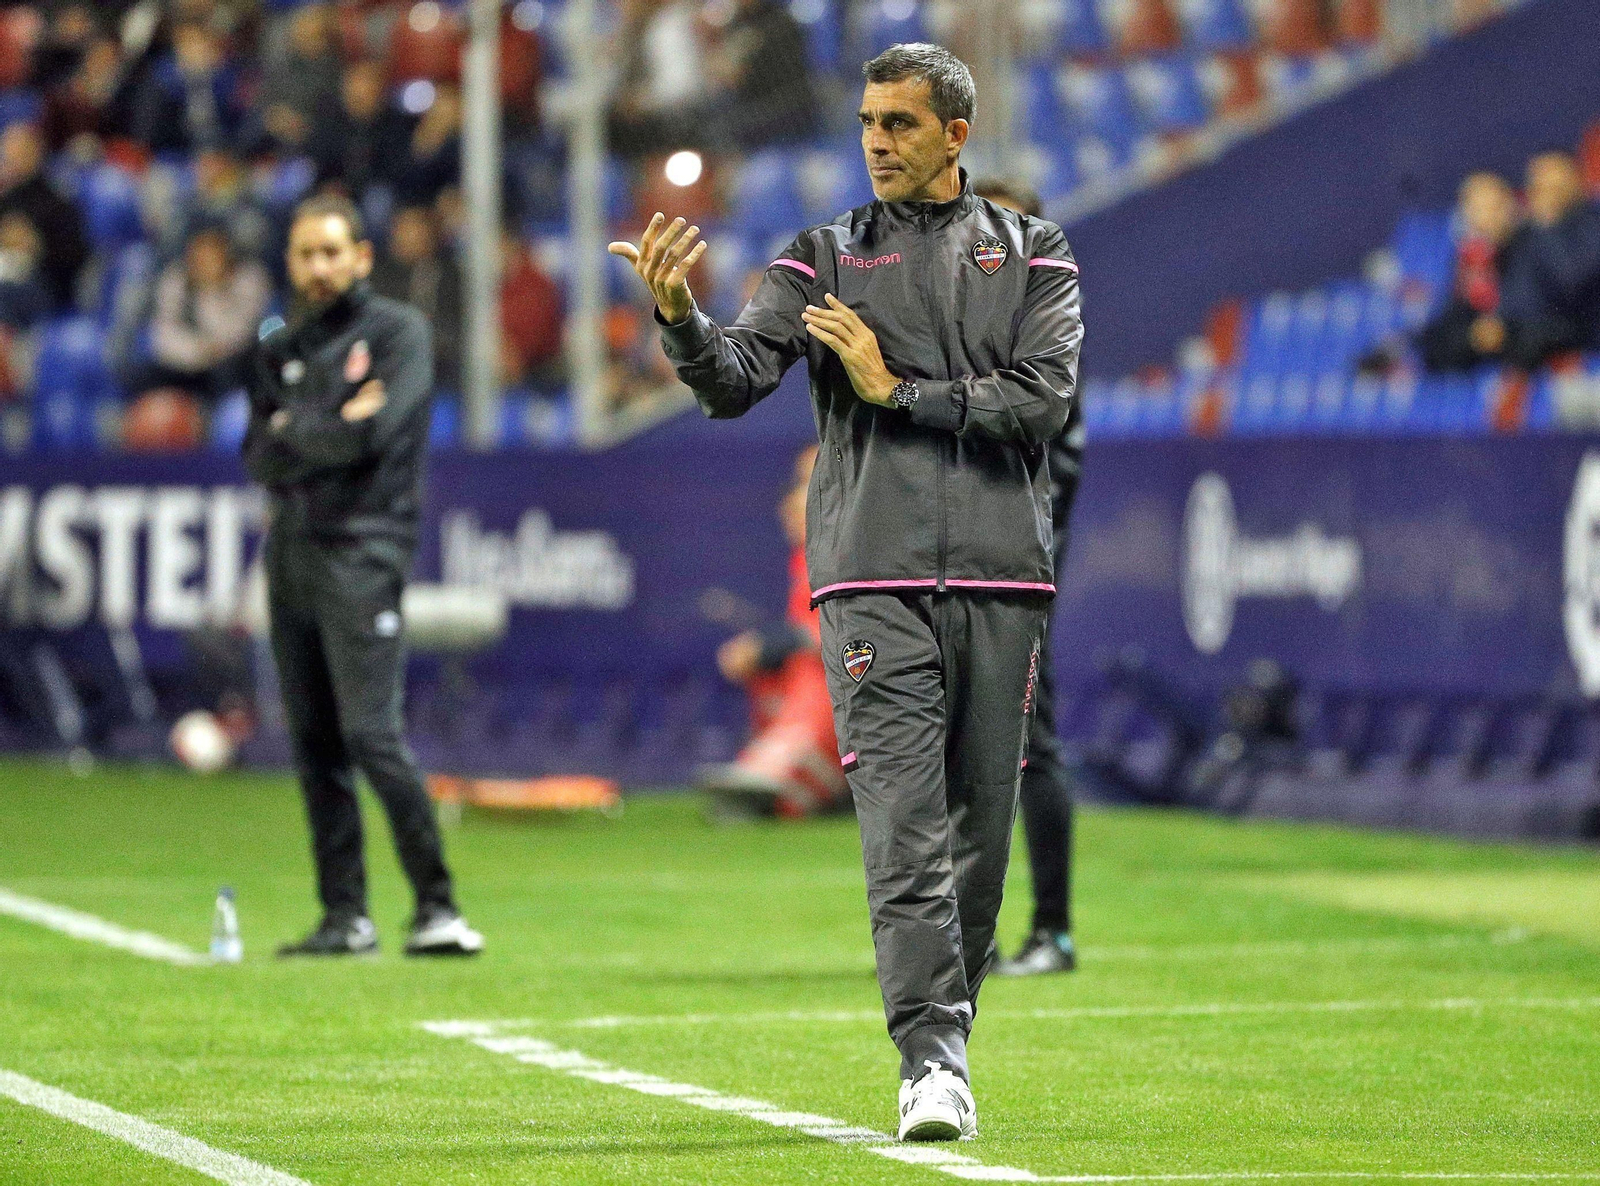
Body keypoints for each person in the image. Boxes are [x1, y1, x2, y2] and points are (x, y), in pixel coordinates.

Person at [609, 42, 1082, 1141]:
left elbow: (1039, 400)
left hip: (1004, 573)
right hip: (871, 573)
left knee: (981, 824)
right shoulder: (818, 255)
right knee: (903, 819)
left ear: (955, 134)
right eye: (869, 121)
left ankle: (946, 1026)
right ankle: (928, 1055)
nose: (877, 139)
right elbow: (732, 384)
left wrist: (892, 388)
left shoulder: (1037, 254)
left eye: (901, 123)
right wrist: (681, 319)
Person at [243, 194, 482, 958]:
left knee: (373, 736)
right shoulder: (278, 344)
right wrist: (332, 425)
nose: (318, 268)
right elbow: (257, 453)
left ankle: (437, 908)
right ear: (291, 261)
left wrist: (303, 431)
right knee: (314, 743)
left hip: (364, 550)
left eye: (331, 252)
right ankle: (345, 917)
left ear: (362, 257)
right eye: (305, 254)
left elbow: (378, 432)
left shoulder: (396, 333)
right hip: (290, 554)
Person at [970, 177, 1081, 979]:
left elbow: (1053, 450)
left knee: (1026, 739)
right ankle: (954, 931)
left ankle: (1053, 930)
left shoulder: (1044, 317)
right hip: (954, 550)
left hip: (1018, 556)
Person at [702, 445, 848, 820]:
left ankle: (788, 773)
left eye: (811, 483)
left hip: (867, 681)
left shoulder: (853, 552)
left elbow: (841, 636)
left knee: (818, 671)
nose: (794, 499)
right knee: (773, 674)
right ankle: (774, 762)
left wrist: (772, 644)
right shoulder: (807, 557)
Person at [142, 224, 269, 403]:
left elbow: (241, 332)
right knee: (152, 373)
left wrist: (214, 291)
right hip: (188, 360)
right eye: (199, 254)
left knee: (231, 369)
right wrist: (196, 351)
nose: (205, 261)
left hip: (232, 362)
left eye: (212, 253)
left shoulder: (249, 279)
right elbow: (163, 334)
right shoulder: (175, 280)